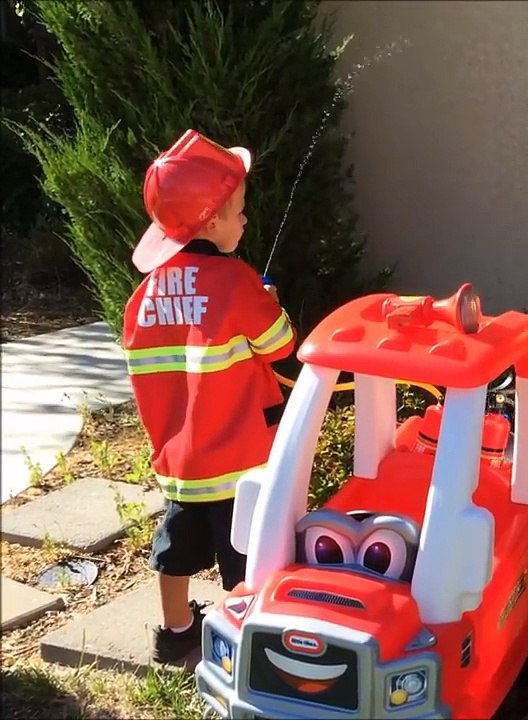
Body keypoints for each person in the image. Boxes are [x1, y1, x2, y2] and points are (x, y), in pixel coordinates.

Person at [122, 129, 296, 663]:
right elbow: (281, 344)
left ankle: (175, 632)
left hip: (181, 464)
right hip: (242, 461)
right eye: (240, 211)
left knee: (175, 547)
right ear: (212, 220)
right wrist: (267, 301)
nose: (245, 220)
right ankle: (246, 642)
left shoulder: (143, 296)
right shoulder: (237, 282)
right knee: (247, 553)